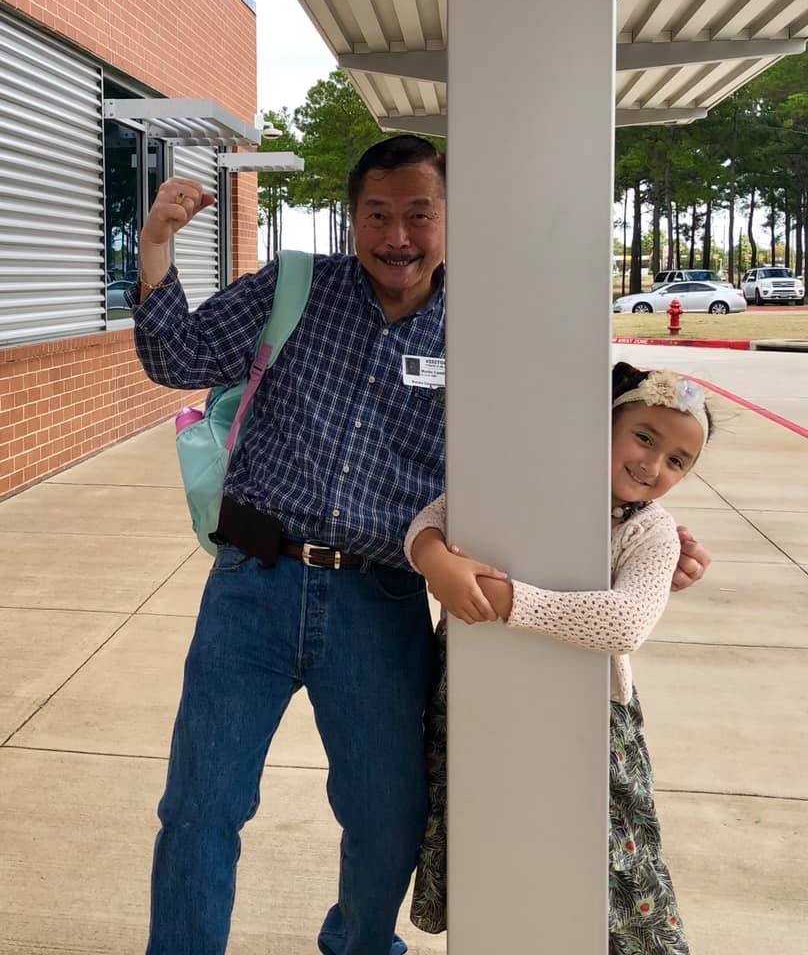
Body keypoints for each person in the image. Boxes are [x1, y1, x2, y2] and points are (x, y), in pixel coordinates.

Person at [130, 131, 710, 955]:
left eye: (418, 214)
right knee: (200, 805)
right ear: (352, 218)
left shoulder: (488, 329)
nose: (396, 236)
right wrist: (156, 242)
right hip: (253, 585)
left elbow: (568, 444)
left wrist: (642, 526)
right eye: (377, 214)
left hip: (381, 598)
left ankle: (360, 944)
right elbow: (176, 354)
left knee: (387, 816)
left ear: (450, 218)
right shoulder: (295, 287)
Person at [405, 362, 712, 954]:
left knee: (609, 857)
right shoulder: (523, 486)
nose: (653, 465)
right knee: (489, 840)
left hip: (590, 713)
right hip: (478, 697)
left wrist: (510, 602)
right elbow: (433, 517)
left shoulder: (652, 532)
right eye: (643, 437)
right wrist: (435, 559)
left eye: (677, 461)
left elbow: (625, 622)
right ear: (601, 425)